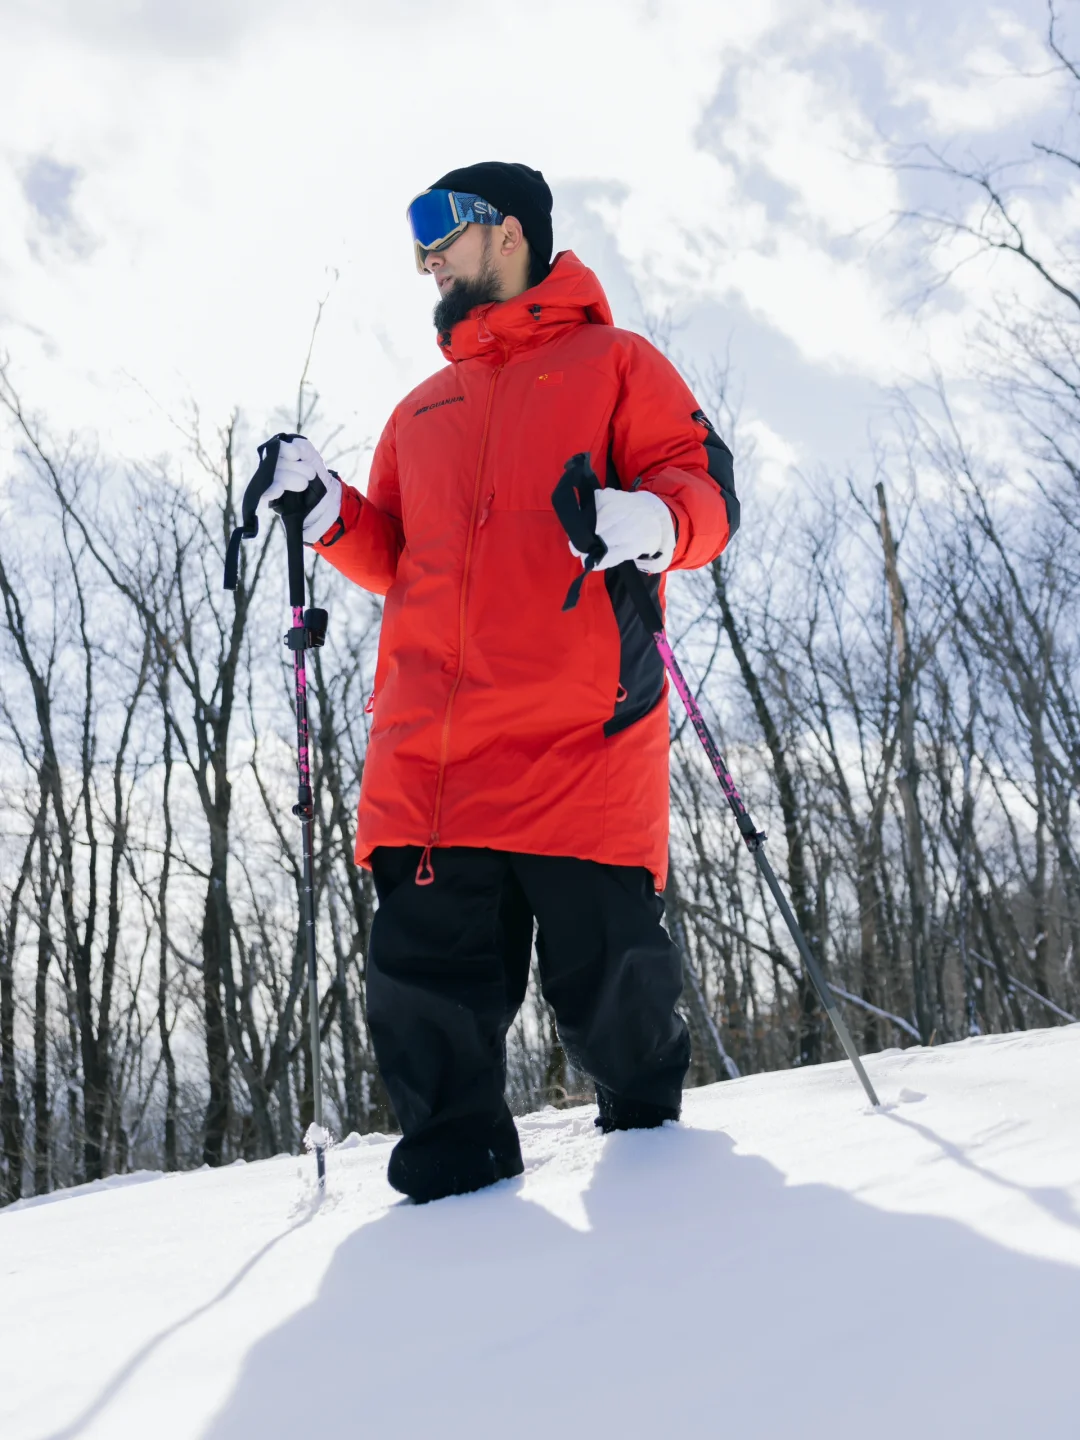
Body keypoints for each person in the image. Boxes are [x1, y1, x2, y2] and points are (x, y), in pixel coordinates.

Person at [261, 161, 739, 1203]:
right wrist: (328, 502)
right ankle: (450, 1260)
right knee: (426, 1014)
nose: (424, 257)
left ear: (510, 232)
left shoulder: (617, 364)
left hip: (584, 745)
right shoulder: (421, 410)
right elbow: (399, 558)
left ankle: (671, 1217)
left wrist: (648, 521)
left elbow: (702, 488)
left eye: (440, 231)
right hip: (435, 767)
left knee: (614, 995)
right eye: (416, 241)